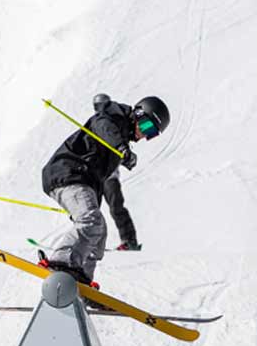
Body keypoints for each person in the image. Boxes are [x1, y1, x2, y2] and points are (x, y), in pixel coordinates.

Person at [38, 94, 168, 283]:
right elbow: (103, 126)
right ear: (139, 114)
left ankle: (81, 279)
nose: (145, 135)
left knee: (99, 235)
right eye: (147, 127)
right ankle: (62, 262)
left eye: (152, 134)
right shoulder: (112, 117)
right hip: (68, 172)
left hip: (82, 180)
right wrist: (122, 148)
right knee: (91, 222)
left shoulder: (120, 134)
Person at [92, 93, 142, 251]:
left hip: (109, 175)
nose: (99, 109)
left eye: (100, 105)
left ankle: (129, 240)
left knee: (115, 206)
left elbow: (116, 141)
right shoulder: (101, 122)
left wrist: (124, 153)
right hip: (96, 173)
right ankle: (90, 242)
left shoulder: (113, 119)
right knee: (90, 207)